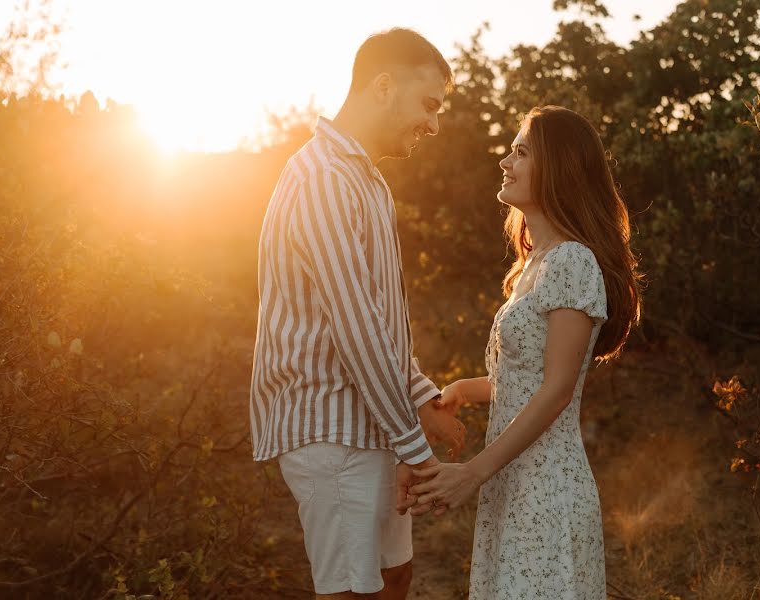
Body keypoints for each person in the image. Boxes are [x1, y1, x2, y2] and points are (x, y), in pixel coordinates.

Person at [249, 28, 465, 600]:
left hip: (371, 420)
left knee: (396, 578)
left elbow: (378, 317)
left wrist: (421, 396)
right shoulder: (323, 177)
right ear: (384, 85)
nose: (434, 125)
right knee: (352, 592)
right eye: (429, 105)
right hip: (332, 427)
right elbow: (355, 328)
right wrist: (417, 451)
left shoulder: (364, 178)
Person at [399, 106, 643, 599]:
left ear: (558, 168)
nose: (505, 161)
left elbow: (556, 392)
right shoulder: (535, 263)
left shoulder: (573, 261)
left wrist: (471, 472)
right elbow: (534, 377)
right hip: (513, 482)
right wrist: (467, 390)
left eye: (521, 151)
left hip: (547, 488)